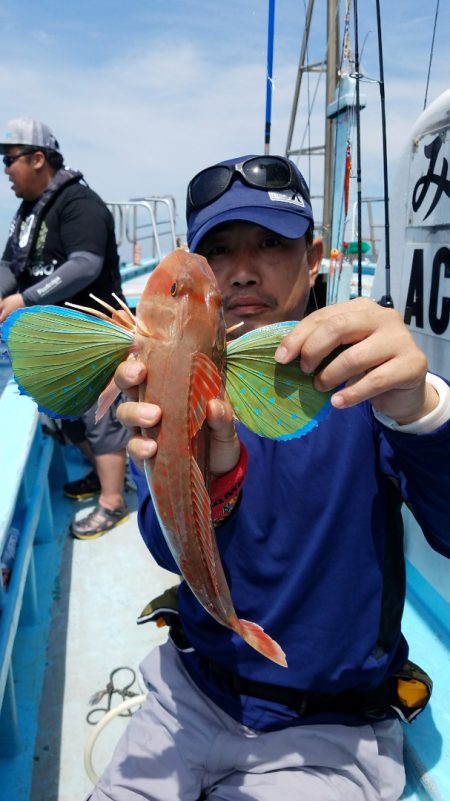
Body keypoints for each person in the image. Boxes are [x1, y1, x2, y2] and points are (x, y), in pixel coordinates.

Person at [89, 155, 450, 800]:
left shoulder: (368, 382)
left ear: (314, 259)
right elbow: (159, 542)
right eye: (219, 251)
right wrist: (195, 471)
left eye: (271, 244)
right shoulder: (180, 382)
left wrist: (421, 413)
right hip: (189, 693)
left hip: (329, 728)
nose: (243, 271)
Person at [0, 117, 130, 539]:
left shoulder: (80, 204)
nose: (5, 169)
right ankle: (97, 474)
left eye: (9, 158)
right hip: (55, 336)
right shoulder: (27, 213)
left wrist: (25, 299)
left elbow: (85, 265)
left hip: (93, 332)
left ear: (38, 159)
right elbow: (9, 265)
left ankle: (113, 502)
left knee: (99, 418)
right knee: (70, 418)